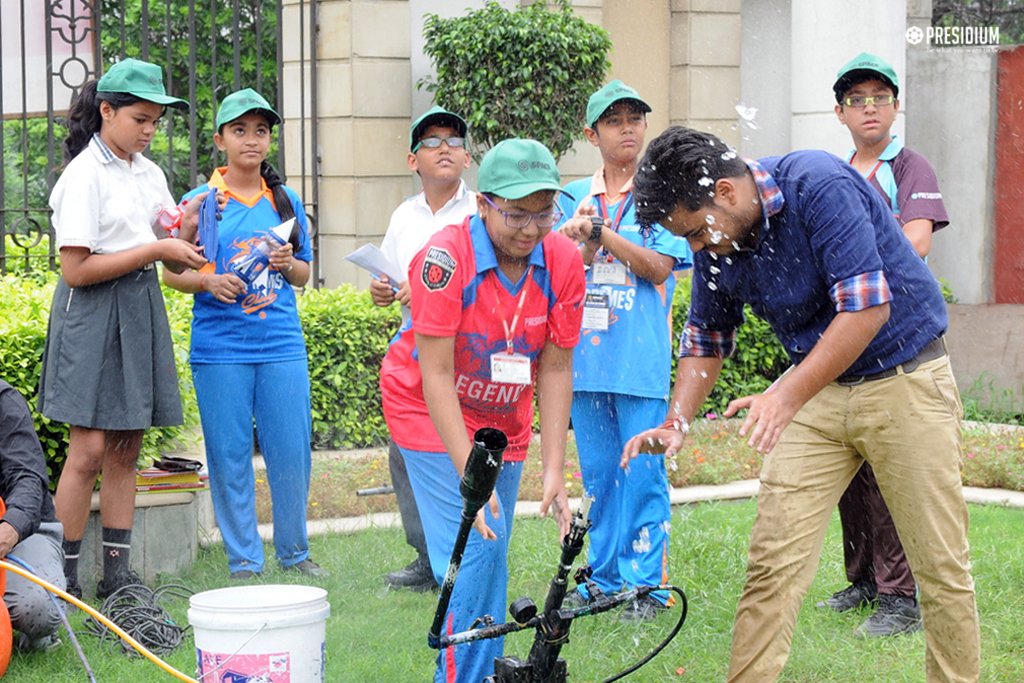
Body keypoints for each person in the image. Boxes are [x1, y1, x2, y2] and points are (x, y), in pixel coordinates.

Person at [622, 126, 979, 683]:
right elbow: (707, 337)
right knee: (772, 565)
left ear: (726, 191)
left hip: (905, 378)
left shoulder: (818, 183)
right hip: (818, 390)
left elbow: (865, 311)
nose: (697, 249)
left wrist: (783, 395)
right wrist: (677, 420)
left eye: (693, 232)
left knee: (939, 567)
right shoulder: (720, 239)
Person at [380, 138, 584, 682]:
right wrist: (469, 467)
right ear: (482, 205)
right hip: (427, 407)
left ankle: (484, 672)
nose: (530, 228)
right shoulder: (444, 260)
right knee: (472, 552)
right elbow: (436, 374)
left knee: (491, 554)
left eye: (544, 213)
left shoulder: (563, 261)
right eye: (516, 213)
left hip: (502, 418)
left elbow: (557, 368)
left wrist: (554, 470)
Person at [38, 58, 208, 599]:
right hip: (89, 314)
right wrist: (156, 247)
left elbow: (174, 267)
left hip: (140, 307)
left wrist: (183, 232)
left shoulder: (150, 172)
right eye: (140, 118)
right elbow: (75, 270)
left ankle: (118, 579)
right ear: (106, 111)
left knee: (125, 450)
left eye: (156, 120)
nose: (149, 129)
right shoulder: (83, 176)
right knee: (87, 451)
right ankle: (60, 581)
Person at [164, 88, 324, 580]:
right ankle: (244, 560)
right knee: (230, 454)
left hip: (280, 345)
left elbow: (302, 275)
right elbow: (171, 273)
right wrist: (208, 280)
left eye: (260, 131)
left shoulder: (284, 199)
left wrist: (287, 262)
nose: (251, 140)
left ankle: (295, 554)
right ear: (219, 140)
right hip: (220, 350)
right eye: (240, 131)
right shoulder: (199, 201)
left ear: (269, 140)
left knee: (291, 450)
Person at [817, 52, 951, 637]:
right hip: (843, 335)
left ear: (894, 107)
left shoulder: (910, 166)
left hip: (898, 337)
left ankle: (902, 596)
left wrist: (846, 256)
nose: (868, 107)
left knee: (893, 467)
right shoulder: (837, 172)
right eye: (856, 100)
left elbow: (914, 244)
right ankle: (864, 580)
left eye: (879, 97)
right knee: (851, 469)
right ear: (841, 113)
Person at [555, 80, 691, 620]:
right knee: (600, 478)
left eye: (636, 117)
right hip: (585, 365)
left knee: (644, 476)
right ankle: (605, 579)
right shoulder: (570, 197)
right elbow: (559, 266)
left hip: (640, 364)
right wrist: (579, 242)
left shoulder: (663, 195)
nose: (628, 127)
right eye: (615, 120)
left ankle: (646, 587)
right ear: (593, 133)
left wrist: (601, 234)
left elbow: (660, 266)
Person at [370, 106, 476, 593]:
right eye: (433, 142)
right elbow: (391, 277)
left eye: (454, 141)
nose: (445, 149)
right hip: (413, 348)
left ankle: (461, 556)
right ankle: (424, 558)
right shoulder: (403, 215)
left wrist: (432, 291)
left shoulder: (480, 212)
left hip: (466, 350)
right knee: (406, 454)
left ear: (468, 157)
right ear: (413, 160)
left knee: (461, 450)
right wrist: (384, 290)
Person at [0, 380, 66, 651]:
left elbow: (27, 477)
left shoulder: (4, 401)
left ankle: (37, 637)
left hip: (21, 532)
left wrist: (9, 529)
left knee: (39, 607)